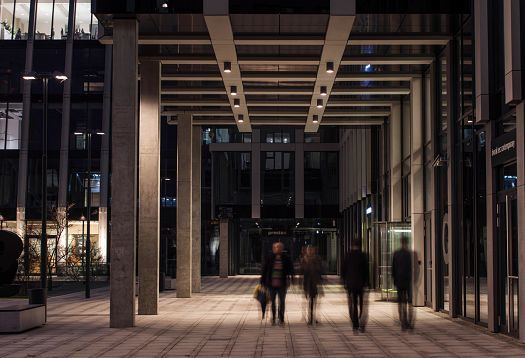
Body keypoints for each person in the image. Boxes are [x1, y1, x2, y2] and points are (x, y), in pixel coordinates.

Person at [260, 242, 294, 326]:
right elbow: (264, 270)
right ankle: (273, 318)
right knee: (272, 302)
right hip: (271, 284)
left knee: (282, 302)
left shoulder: (286, 258)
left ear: (282, 249)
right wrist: (262, 282)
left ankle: (281, 318)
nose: (277, 249)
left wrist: (292, 279)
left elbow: (291, 269)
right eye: (275, 247)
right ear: (273, 249)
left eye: (279, 247)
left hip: (282, 284)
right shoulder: (269, 258)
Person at [342, 240, 369, 332]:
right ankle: (360, 319)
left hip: (350, 284)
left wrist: (344, 281)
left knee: (352, 303)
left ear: (351, 245)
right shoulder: (363, 255)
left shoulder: (348, 255)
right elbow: (366, 270)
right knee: (360, 303)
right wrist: (367, 282)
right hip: (360, 284)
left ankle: (355, 323)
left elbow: (343, 270)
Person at [392, 236, 414, 330]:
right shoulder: (408, 254)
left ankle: (402, 321)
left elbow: (393, 268)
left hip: (399, 280)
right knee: (408, 301)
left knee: (400, 301)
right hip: (407, 280)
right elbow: (410, 268)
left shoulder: (396, 254)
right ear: (406, 243)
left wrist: (394, 279)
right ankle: (407, 321)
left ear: (401, 242)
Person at [301, 246, 323, 325]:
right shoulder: (304, 259)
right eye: (308, 250)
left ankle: (312, 317)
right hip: (308, 283)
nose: (310, 252)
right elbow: (303, 271)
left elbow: (320, 270)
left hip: (314, 283)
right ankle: (310, 318)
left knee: (314, 301)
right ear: (306, 251)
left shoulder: (317, 259)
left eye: (311, 250)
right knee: (310, 301)